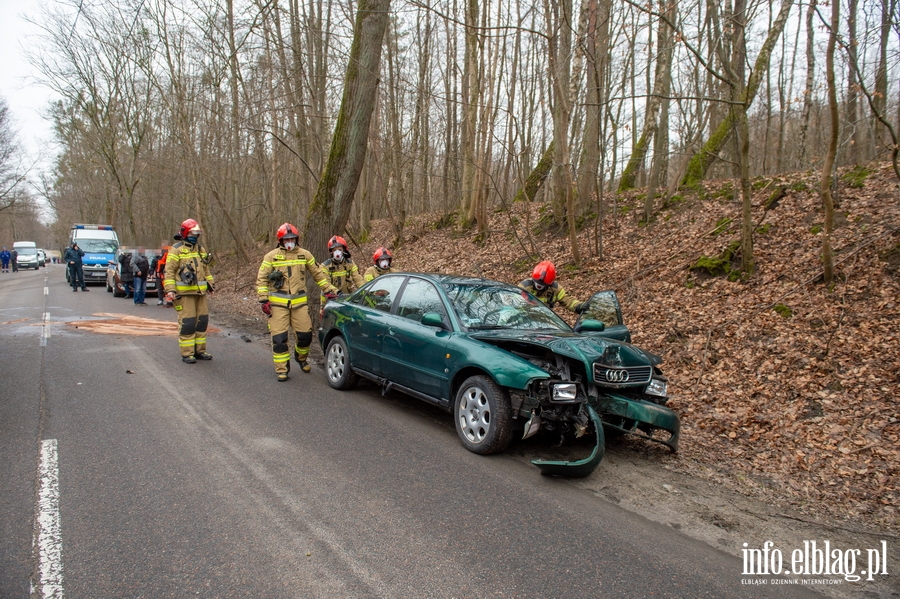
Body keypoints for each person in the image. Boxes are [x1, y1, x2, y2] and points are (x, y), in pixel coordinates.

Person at [257, 223, 338, 381]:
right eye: (286, 239)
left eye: (292, 238)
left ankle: (301, 358)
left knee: (305, 336)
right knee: (279, 339)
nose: (289, 241)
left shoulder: (305, 255)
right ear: (280, 240)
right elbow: (261, 280)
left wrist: (329, 290)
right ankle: (282, 369)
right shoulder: (271, 256)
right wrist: (263, 300)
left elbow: (318, 274)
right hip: (277, 305)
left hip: (299, 304)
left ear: (297, 239)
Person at [164, 219, 215, 364]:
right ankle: (187, 353)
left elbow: (206, 270)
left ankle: (200, 351)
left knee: (202, 322)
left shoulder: (200, 249)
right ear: (185, 232)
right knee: (188, 323)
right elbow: (169, 271)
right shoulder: (176, 249)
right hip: (184, 294)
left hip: (200, 293)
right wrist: (170, 290)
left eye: (196, 233)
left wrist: (210, 285)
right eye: (192, 233)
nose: (195, 236)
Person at [518, 260, 588, 314]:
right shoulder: (524, 287)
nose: (539, 286)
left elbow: (568, 300)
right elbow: (515, 304)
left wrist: (578, 306)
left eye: (542, 285)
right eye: (537, 283)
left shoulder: (555, 289)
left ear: (549, 284)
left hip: (546, 320)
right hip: (526, 319)